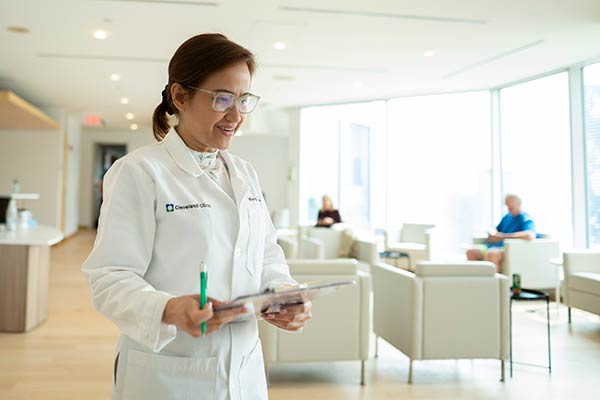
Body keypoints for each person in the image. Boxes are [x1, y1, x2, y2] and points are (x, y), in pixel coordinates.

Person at [82, 33, 311, 400]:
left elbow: (266, 253)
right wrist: (170, 309)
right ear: (179, 96)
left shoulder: (245, 173)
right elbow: (109, 279)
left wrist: (283, 293)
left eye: (243, 100)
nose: (235, 116)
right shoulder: (139, 172)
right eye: (222, 98)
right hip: (170, 372)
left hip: (245, 366)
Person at [466, 194, 536, 273]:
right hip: (493, 246)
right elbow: (496, 229)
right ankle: (476, 281)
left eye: (511, 207)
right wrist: (493, 234)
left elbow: (530, 235)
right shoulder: (507, 217)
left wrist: (503, 237)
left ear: (519, 204)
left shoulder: (525, 219)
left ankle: (493, 284)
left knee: (492, 253)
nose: (509, 210)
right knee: (471, 252)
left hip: (506, 248)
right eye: (508, 207)